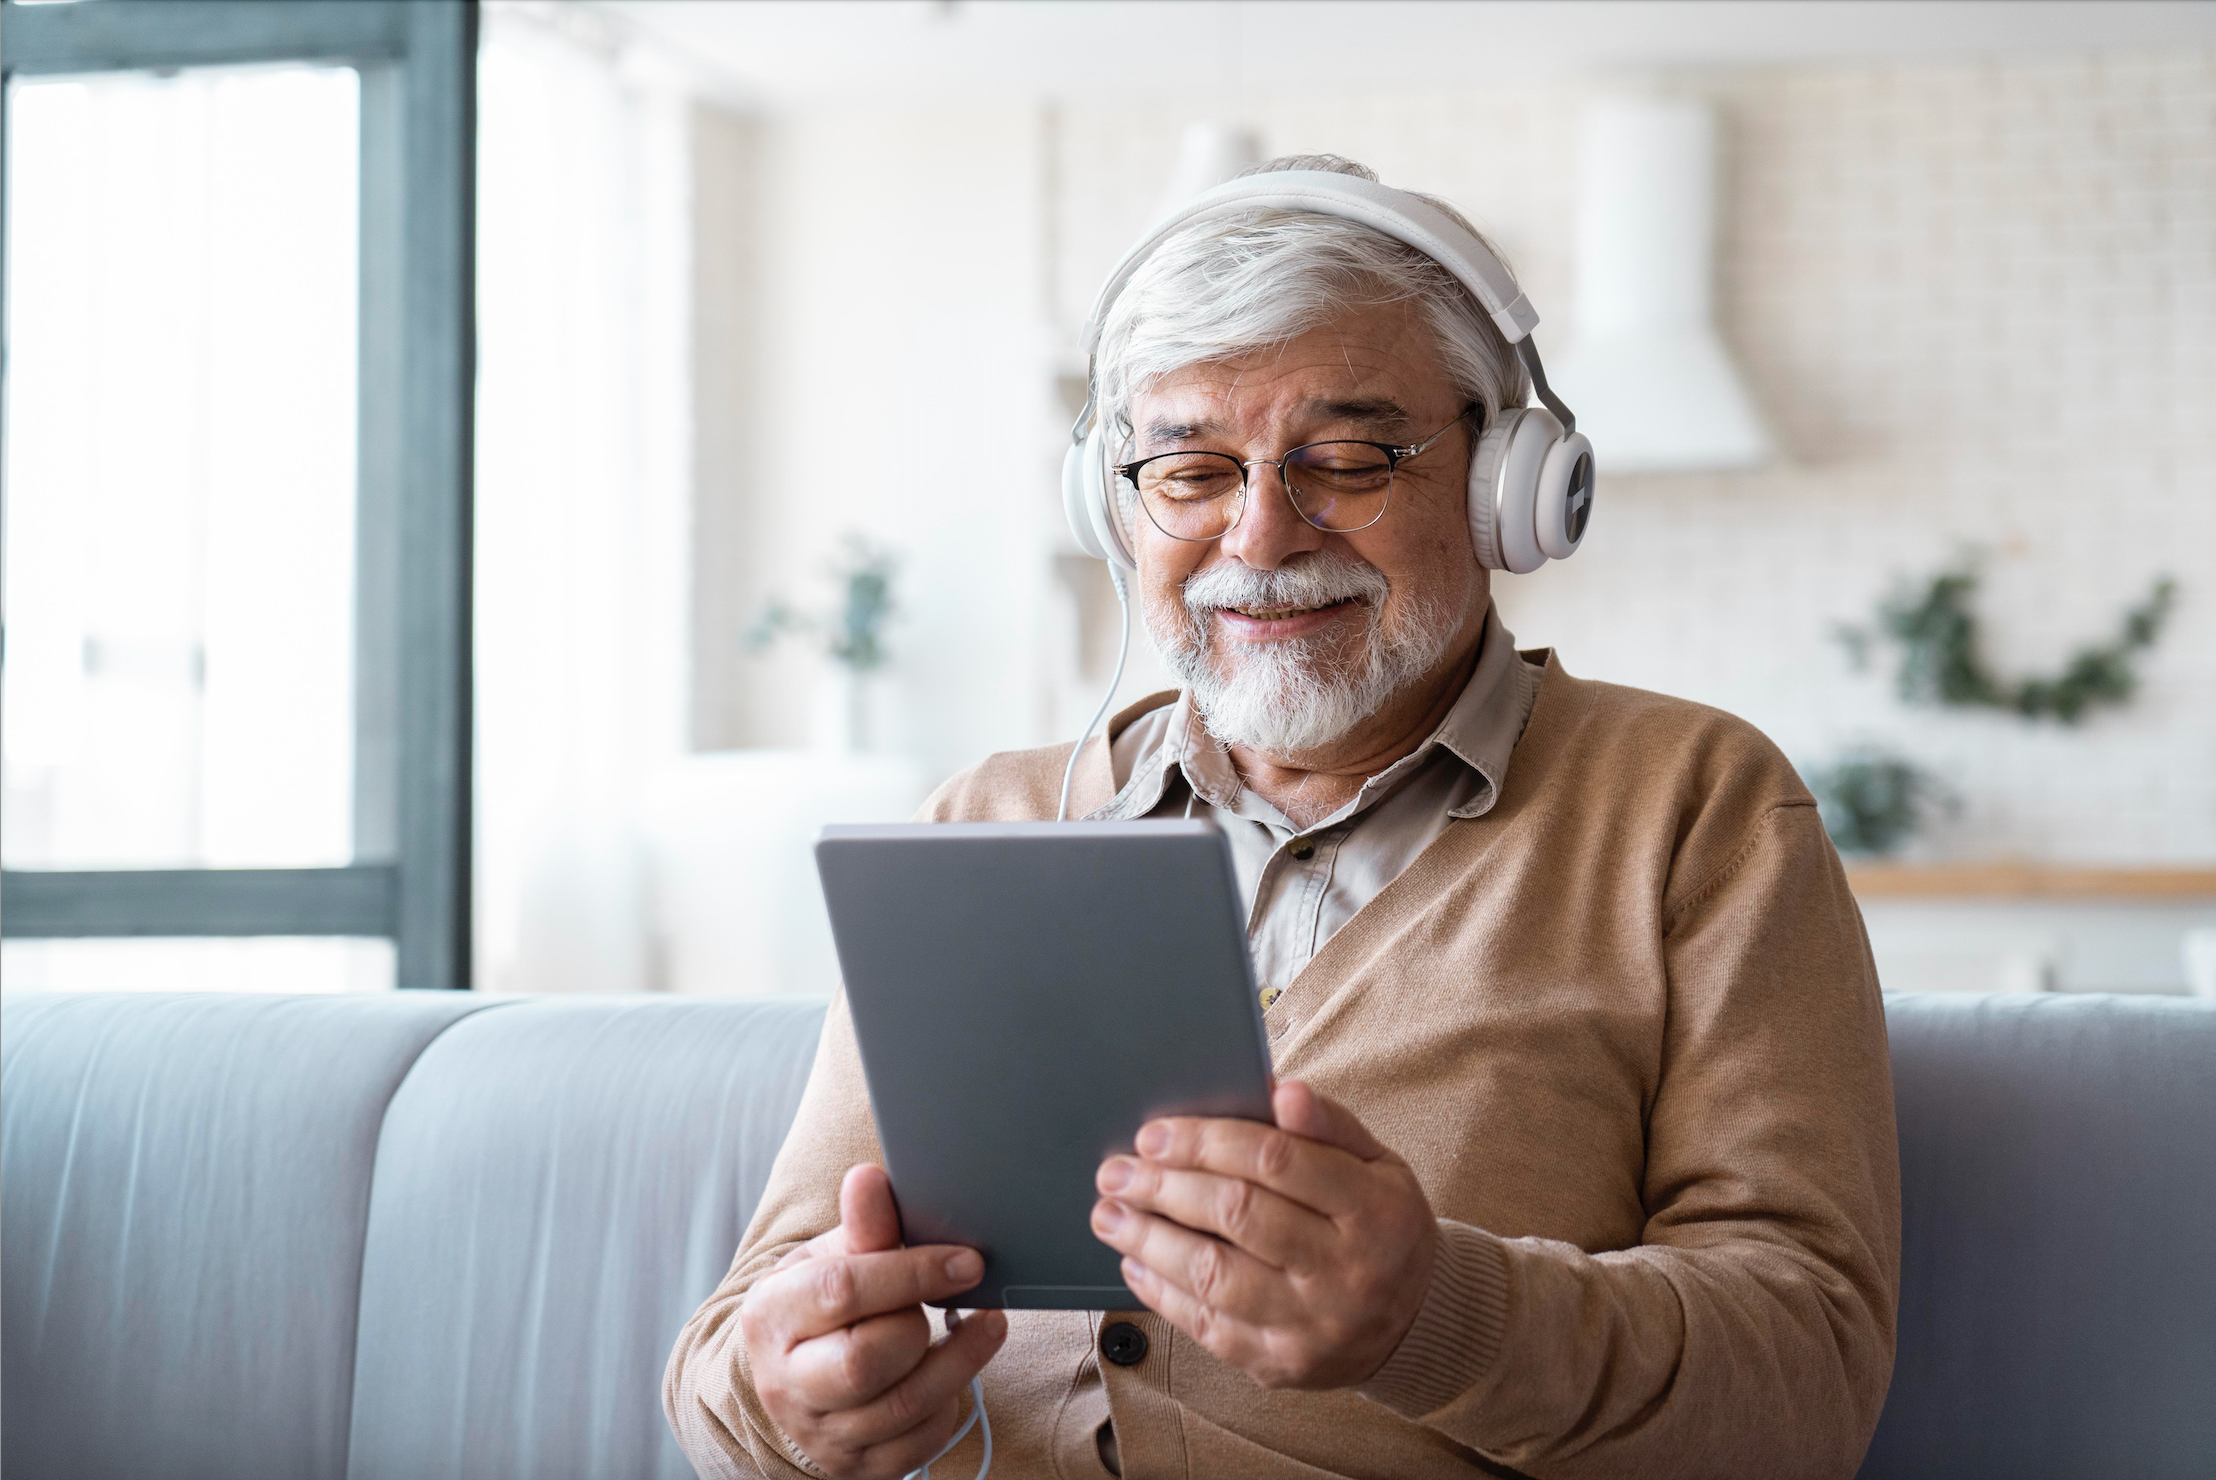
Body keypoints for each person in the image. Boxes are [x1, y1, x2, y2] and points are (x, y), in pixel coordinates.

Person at [665, 155, 1899, 1480]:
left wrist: (1436, 1318)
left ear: (1508, 485)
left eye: (1349, 457)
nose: (1259, 536)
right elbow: (733, 1351)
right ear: (1114, 505)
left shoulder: (1695, 808)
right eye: (1190, 471)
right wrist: (782, 1396)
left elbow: (1807, 1376)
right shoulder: (993, 817)